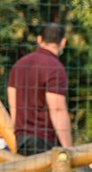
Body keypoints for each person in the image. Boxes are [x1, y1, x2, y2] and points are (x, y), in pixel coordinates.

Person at [6, 23, 72, 155]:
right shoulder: (55, 68)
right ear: (63, 42)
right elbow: (57, 109)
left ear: (39, 39)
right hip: (44, 141)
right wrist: (68, 148)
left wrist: (17, 133)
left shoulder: (19, 64)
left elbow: (13, 105)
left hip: (22, 139)